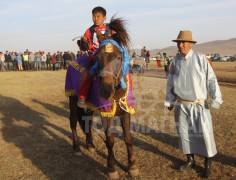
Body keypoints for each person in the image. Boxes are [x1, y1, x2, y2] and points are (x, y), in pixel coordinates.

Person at [164, 30, 223, 178]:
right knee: (184, 134)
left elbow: (211, 79)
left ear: (191, 44)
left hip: (199, 104)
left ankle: (207, 163)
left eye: (184, 42)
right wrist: (170, 101)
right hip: (181, 104)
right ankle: (190, 160)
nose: (181, 45)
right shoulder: (175, 61)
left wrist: (216, 99)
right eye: (179, 42)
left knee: (205, 134)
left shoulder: (200, 58)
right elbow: (170, 82)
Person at [77, 6, 115, 107]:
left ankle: (125, 92)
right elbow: (86, 46)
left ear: (104, 18)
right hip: (95, 57)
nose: (95, 19)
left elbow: (116, 42)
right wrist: (84, 43)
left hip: (109, 57)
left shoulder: (111, 29)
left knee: (125, 71)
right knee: (88, 74)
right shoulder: (90, 30)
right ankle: (82, 96)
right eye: (94, 16)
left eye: (98, 16)